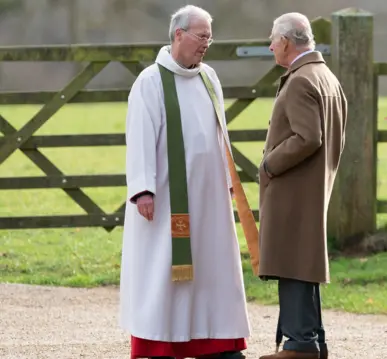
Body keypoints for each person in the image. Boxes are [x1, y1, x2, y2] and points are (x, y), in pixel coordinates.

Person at [119, 5, 251, 359]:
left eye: (210, 36)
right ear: (178, 34)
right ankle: (159, 343)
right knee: (166, 271)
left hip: (209, 198)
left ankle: (219, 342)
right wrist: (143, 189)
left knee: (212, 269)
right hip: (165, 199)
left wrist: (226, 181)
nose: (207, 43)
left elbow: (219, 134)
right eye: (201, 35)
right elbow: (141, 138)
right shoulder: (150, 82)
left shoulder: (209, 78)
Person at [257, 12, 347, 359]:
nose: (270, 46)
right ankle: (312, 340)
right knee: (303, 262)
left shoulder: (299, 80)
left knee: (291, 261)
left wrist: (269, 163)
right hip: (313, 185)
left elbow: (308, 138)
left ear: (285, 42)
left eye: (272, 40)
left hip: (294, 187)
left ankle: (299, 343)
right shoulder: (327, 77)